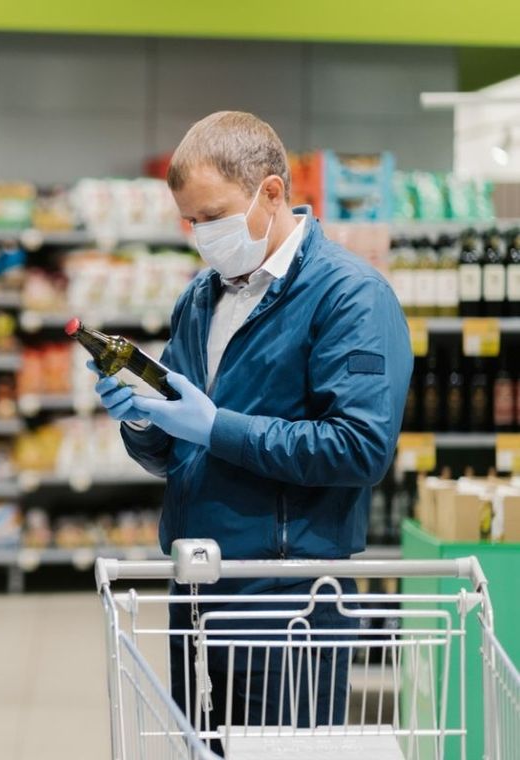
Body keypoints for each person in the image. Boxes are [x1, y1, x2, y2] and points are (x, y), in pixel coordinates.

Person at [89, 111, 411, 746]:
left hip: (287, 601)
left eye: (214, 216)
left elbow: (360, 448)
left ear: (270, 192)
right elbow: (178, 453)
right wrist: (145, 420)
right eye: (191, 221)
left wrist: (216, 428)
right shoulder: (201, 299)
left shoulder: (350, 297)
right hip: (198, 589)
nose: (202, 235)